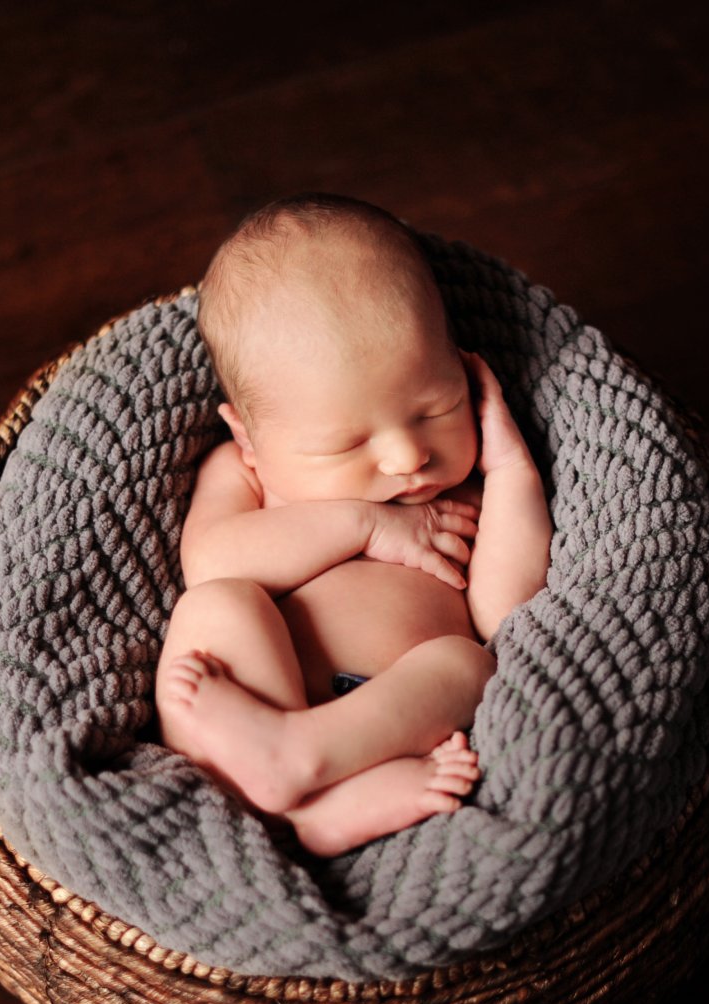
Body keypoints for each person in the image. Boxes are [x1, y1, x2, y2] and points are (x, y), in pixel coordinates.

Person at [156, 193, 552, 856]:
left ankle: (312, 781)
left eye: (436, 408)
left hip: (393, 723)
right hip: (252, 707)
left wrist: (514, 471)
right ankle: (299, 794)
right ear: (250, 437)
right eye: (346, 444)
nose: (407, 456)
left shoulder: (471, 485)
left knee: (468, 663)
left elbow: (505, 613)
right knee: (218, 605)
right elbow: (214, 562)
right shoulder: (246, 473)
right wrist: (365, 526)